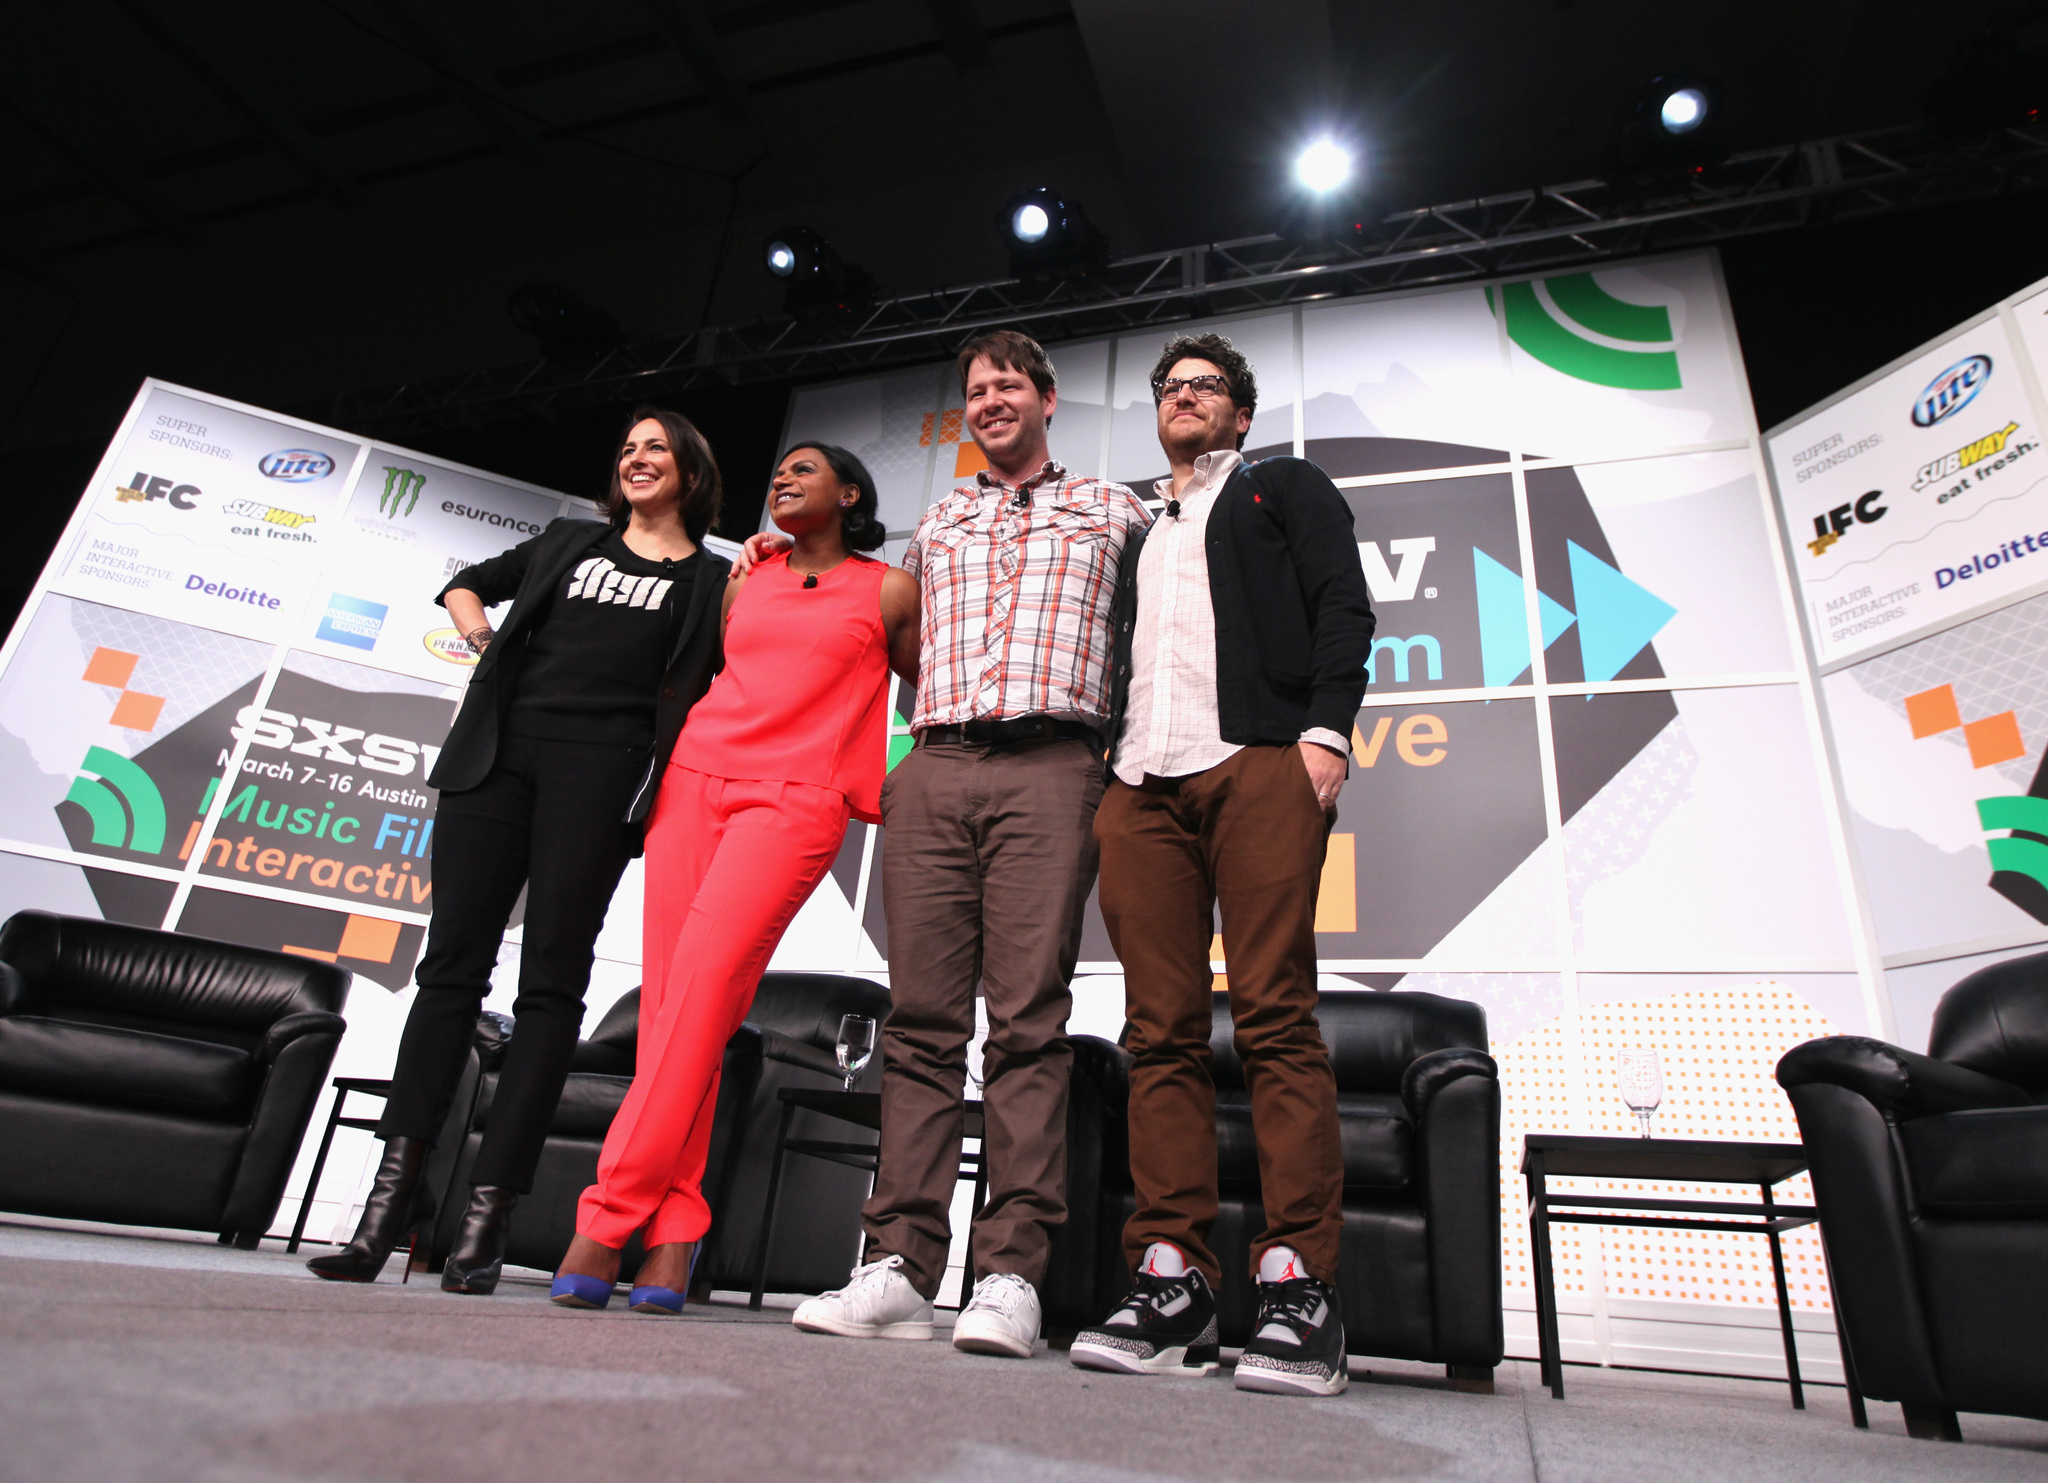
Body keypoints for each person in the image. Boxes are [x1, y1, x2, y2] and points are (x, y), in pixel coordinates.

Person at [763, 330, 1150, 1358]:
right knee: (921, 1023)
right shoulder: (935, 522)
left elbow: (1163, 631)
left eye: (1007, 385)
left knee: (1026, 1021)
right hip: (932, 764)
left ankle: (1011, 1273)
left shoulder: (1116, 510)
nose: (989, 401)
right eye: (976, 389)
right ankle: (894, 1263)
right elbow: (875, 630)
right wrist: (782, 557)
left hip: (1053, 765)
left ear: (1047, 398)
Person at [307, 407, 729, 1295]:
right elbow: (464, 582)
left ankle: (485, 1222)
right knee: (450, 972)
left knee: (551, 990)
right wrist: (479, 636)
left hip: (602, 778)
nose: (637, 458)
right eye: (626, 449)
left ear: (690, 470)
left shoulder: (709, 579)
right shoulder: (569, 540)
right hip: (497, 760)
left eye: (656, 448)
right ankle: (386, 1214)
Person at [1066, 332, 1374, 1396]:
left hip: (1255, 761)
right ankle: (1172, 1279)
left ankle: (1300, 1288)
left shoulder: (1280, 486)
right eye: (1169, 389)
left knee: (1273, 1014)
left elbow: (1342, 601)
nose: (1183, 398)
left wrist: (1325, 731)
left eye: (1204, 388)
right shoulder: (1139, 527)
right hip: (1140, 781)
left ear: (1238, 415)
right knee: (1156, 1031)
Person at [547, 442, 919, 1313]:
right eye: (776, 471)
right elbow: (717, 673)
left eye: (803, 469)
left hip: (795, 802)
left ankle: (606, 1218)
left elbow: (932, 691)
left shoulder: (891, 588)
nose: (781, 478)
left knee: (705, 991)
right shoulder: (746, 576)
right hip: (695, 782)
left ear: (851, 493)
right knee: (679, 1005)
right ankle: (674, 1235)